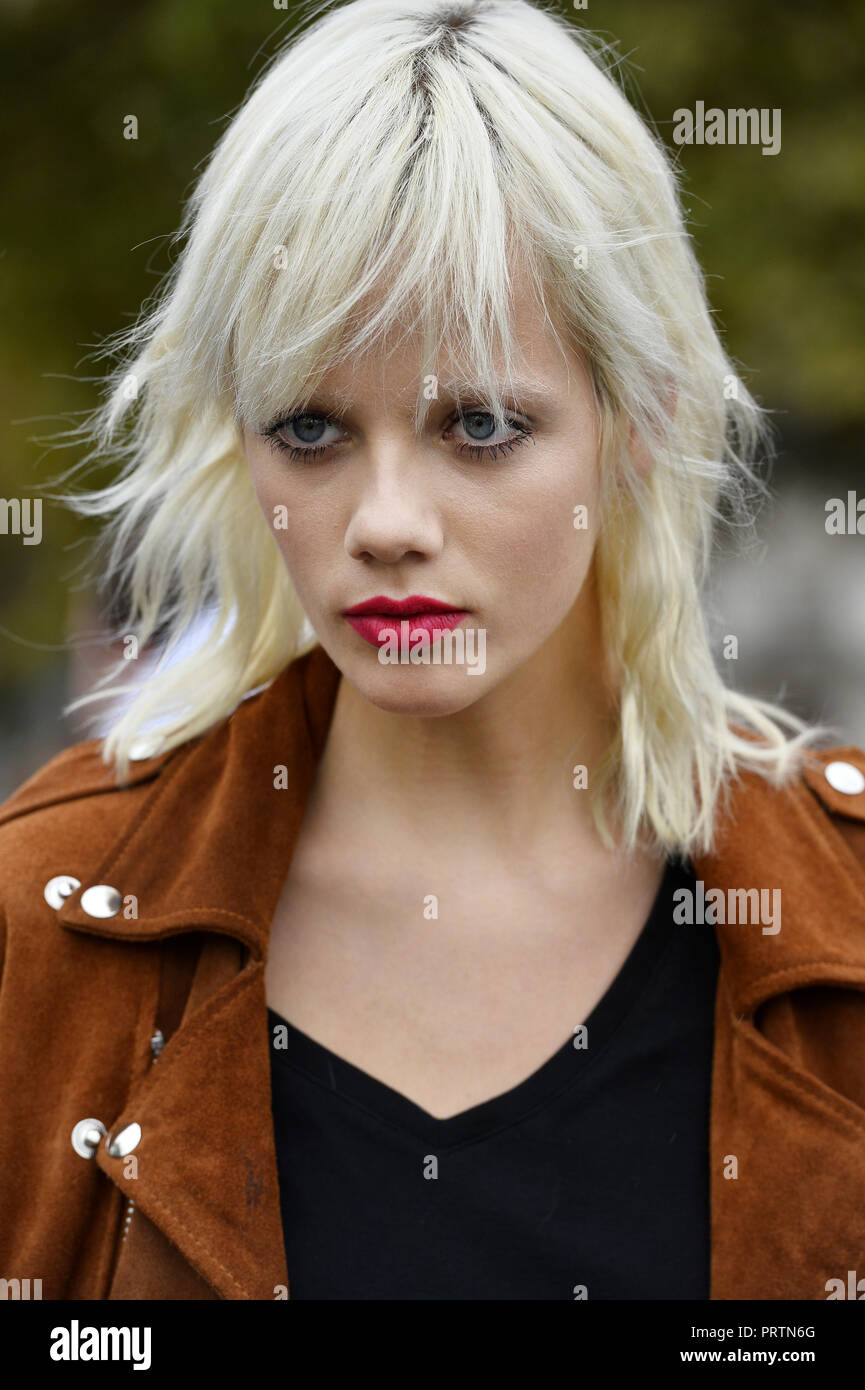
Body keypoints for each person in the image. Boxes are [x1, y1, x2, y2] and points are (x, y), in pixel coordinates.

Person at [2, 0, 865, 1302]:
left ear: (641, 419)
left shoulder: (840, 923)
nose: (386, 524)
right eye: (308, 428)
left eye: (476, 424)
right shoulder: (42, 932)